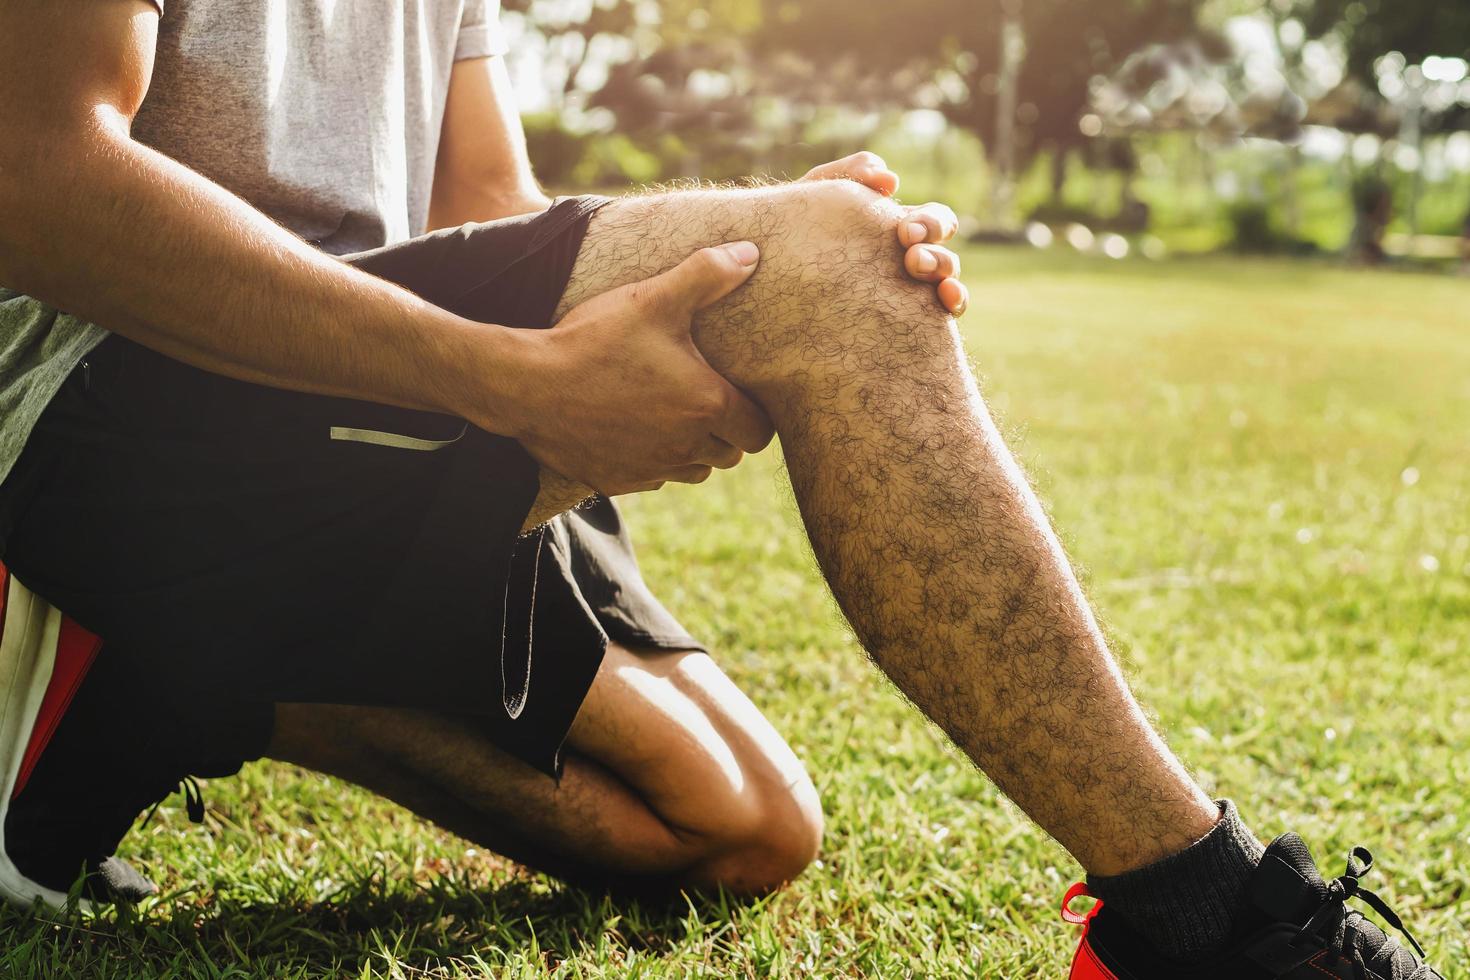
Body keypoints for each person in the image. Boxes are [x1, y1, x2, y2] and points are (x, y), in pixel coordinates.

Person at [0, 2, 1442, 977]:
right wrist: (539, 362)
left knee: (735, 828)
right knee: (818, 272)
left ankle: (159, 669)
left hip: (360, 409)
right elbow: (34, 174)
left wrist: (742, 249)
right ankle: (1202, 916)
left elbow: (477, 212)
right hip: (93, 408)